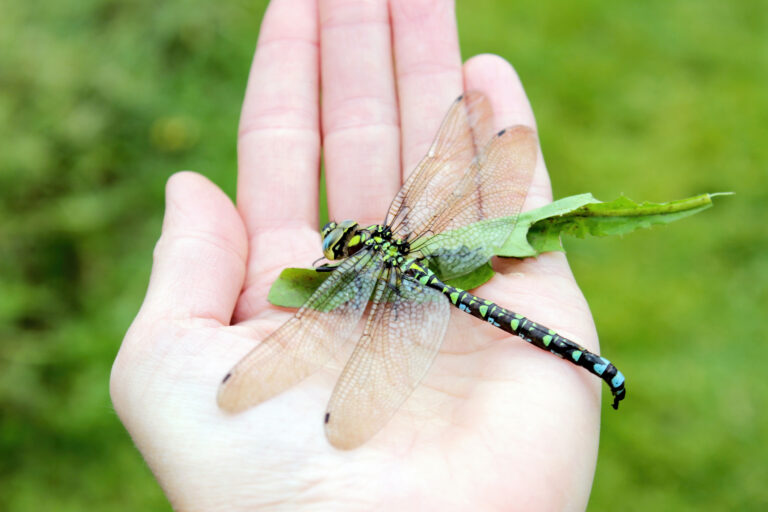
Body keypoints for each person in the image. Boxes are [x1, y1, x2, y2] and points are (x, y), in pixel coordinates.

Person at [111, 0, 603, 509]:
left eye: (338, 241)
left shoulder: (363, 271)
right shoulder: (396, 236)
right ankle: (595, 366)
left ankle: (593, 366)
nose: (339, 240)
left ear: (345, 250)